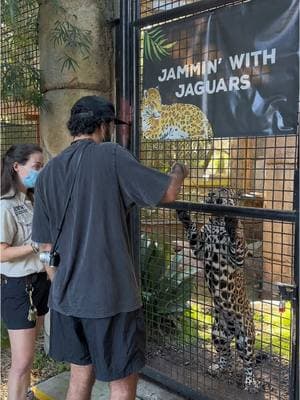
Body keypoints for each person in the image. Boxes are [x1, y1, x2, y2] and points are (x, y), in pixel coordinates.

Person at [31, 96, 188, 400]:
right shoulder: (111, 156)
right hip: (111, 299)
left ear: (73, 126)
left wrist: (60, 283)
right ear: (104, 126)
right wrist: (179, 168)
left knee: (78, 378)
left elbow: (45, 245)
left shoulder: (48, 173)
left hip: (66, 300)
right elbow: (168, 191)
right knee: (121, 383)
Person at [0, 144, 51, 400]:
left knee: (30, 353)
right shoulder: (4, 206)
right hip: (20, 287)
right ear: (16, 167)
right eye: (37, 166)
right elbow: (1, 253)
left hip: (39, 283)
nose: (40, 172)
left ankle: (25, 394)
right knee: (21, 361)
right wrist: (34, 245)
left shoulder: (30, 199)